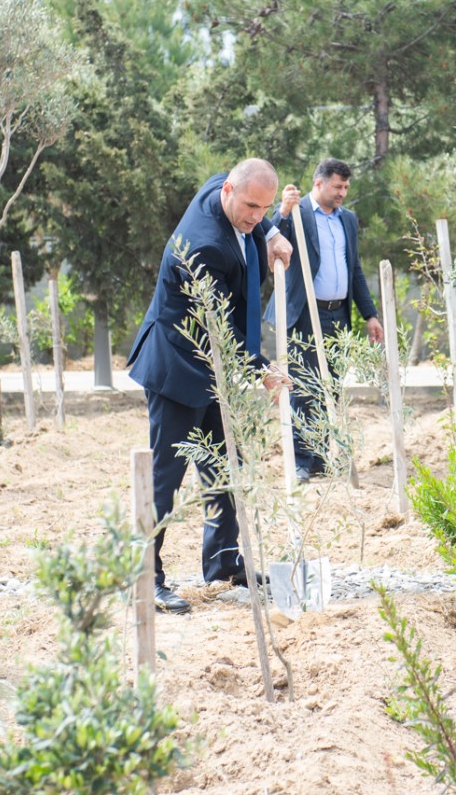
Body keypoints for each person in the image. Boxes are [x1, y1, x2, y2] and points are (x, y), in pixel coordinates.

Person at [127, 158, 293, 614]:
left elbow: (255, 223)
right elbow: (219, 328)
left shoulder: (223, 192)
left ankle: (222, 563)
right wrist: (262, 367)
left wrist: (273, 232)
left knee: (224, 465)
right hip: (178, 367)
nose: (256, 216)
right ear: (228, 194)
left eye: (264, 208)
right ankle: (144, 577)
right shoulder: (203, 246)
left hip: (213, 370)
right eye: (250, 207)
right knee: (166, 477)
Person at [264, 158, 383, 481]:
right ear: (319, 184)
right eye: (337, 186)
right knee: (303, 387)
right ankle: (301, 461)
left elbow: (355, 268)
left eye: (346, 187)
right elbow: (273, 234)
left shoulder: (348, 220)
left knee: (329, 385)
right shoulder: (298, 212)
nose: (343, 192)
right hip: (304, 312)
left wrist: (370, 314)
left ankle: (319, 457)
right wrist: (283, 212)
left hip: (337, 313)